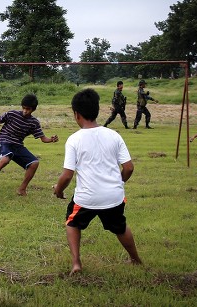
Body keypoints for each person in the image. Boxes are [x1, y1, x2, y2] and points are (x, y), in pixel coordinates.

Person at [54, 88, 142, 276]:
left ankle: (76, 262)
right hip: (113, 197)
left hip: (87, 198)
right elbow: (129, 168)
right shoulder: (114, 135)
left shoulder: (73, 140)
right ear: (97, 110)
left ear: (76, 114)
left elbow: (67, 175)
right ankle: (136, 259)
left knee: (72, 223)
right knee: (120, 227)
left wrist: (58, 190)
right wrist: (118, 183)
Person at [0, 94, 59, 196]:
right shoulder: (12, 114)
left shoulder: (34, 123)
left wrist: (51, 139)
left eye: (28, 109)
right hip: (5, 140)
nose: (25, 111)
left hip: (18, 145)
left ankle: (22, 189)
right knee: (5, 160)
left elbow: (43, 139)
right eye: (23, 108)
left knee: (34, 163)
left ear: (33, 109)